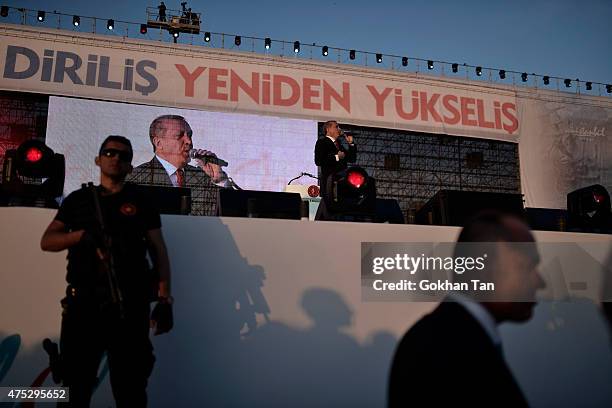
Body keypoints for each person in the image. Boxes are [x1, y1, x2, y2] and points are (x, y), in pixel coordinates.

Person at [40, 135, 173, 407]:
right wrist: (82, 237)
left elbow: (158, 250)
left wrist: (165, 299)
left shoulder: (141, 201)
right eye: (110, 153)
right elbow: (48, 241)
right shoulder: (78, 200)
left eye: (123, 155)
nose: (116, 158)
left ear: (130, 166)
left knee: (131, 391)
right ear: (98, 159)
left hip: (129, 306)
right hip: (83, 307)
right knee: (75, 390)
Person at [388, 211, 546, 407]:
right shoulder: (442, 350)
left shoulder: (449, 339)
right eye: (527, 266)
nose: (540, 282)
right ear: (483, 267)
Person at [127, 115, 228, 216]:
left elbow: (232, 213)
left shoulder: (202, 177)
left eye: (189, 135)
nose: (189, 141)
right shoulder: (136, 178)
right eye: (179, 136)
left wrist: (220, 180)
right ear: (158, 143)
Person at [314, 120, 356, 220]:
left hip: (341, 186)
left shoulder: (339, 145)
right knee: (328, 212)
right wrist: (336, 157)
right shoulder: (322, 142)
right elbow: (319, 161)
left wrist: (351, 144)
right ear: (328, 129)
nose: (339, 129)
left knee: (339, 213)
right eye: (336, 127)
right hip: (330, 184)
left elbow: (351, 159)